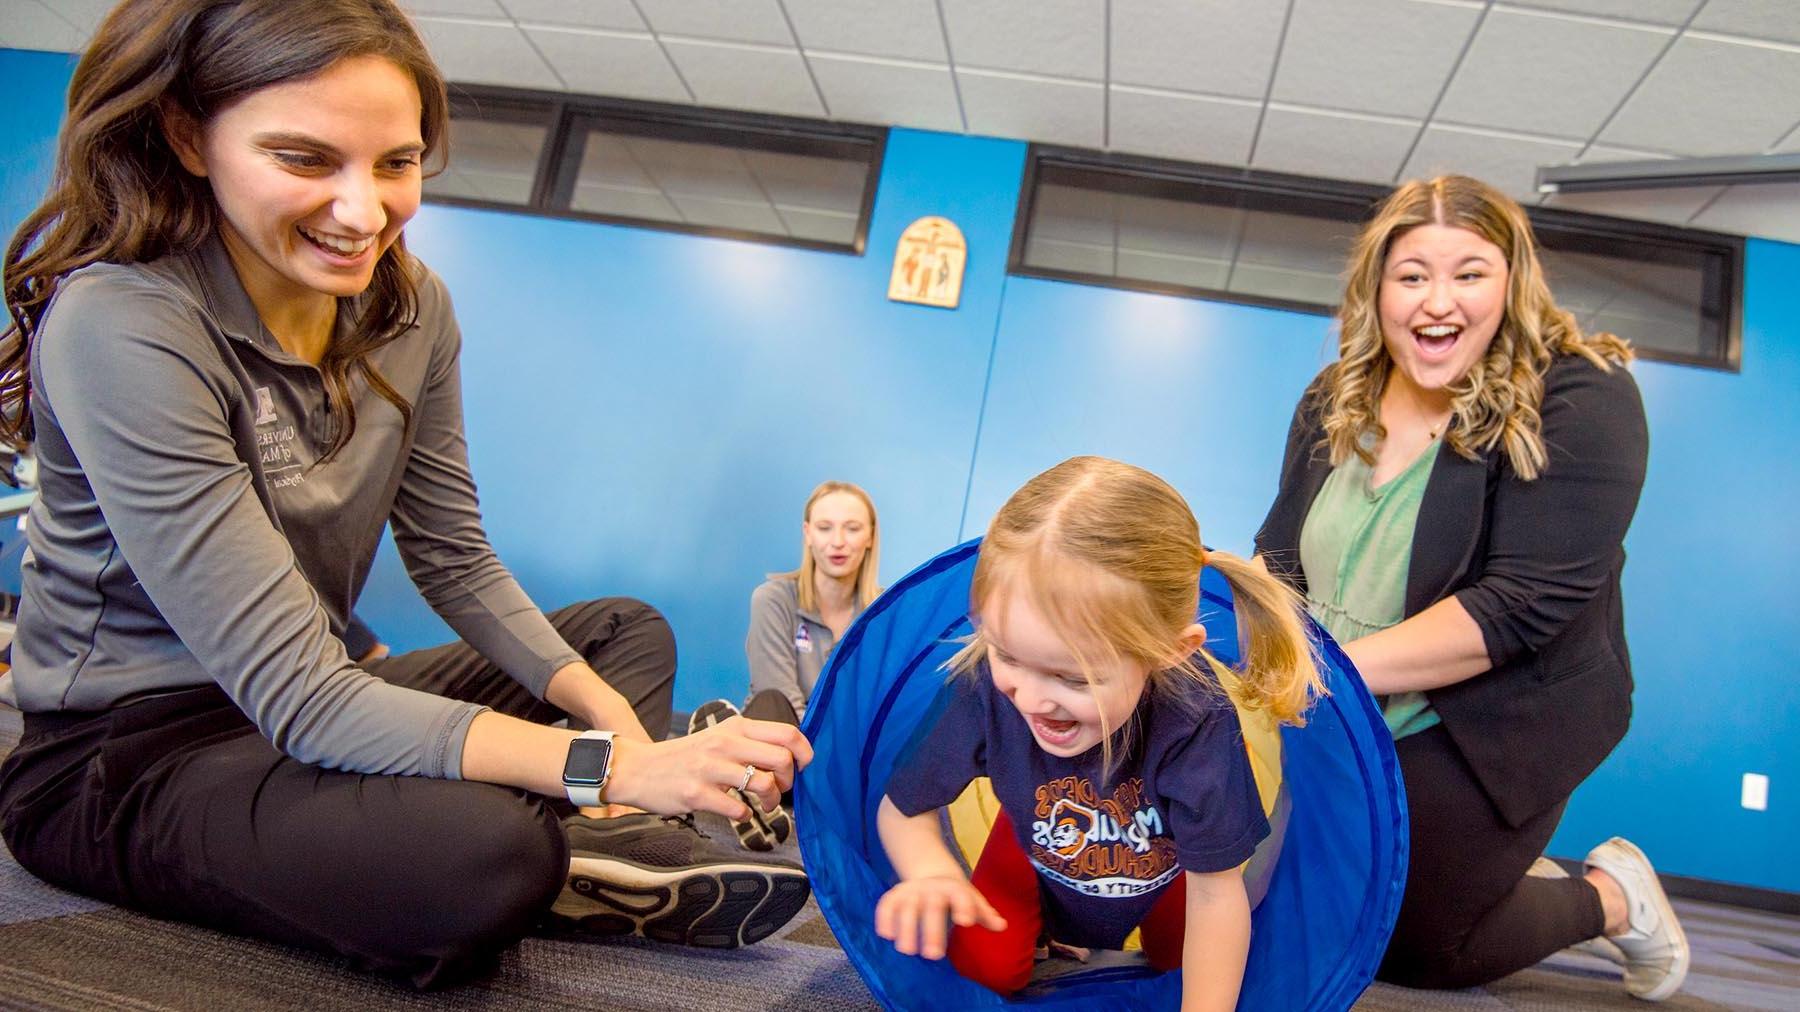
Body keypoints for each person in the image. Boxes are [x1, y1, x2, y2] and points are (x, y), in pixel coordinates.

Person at [0, 0, 811, 989]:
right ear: (187, 137)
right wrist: (616, 770)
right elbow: (302, 694)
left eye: (396, 162)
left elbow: (454, 558)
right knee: (482, 855)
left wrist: (617, 733)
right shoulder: (123, 323)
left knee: (623, 634)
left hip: (314, 708)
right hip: (123, 762)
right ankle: (562, 847)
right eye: (306, 159)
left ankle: (590, 841)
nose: (364, 212)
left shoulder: (410, 302)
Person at [1254, 175, 1680, 999]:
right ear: (1376, 288)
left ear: (1513, 282)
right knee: (1317, 904)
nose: (1436, 300)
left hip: (1492, 717)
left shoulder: (1580, 394)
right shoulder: (1334, 398)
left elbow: (1524, 604)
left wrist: (1327, 674)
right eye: (1411, 275)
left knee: (1416, 950)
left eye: (1470, 273)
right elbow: (1281, 555)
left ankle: (1612, 898)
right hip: (1346, 695)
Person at [871, 456, 1324, 1010]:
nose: (1033, 699)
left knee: (1187, 957)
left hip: (1165, 866)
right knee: (983, 964)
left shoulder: (1196, 715)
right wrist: (932, 870)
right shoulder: (981, 686)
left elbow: (1216, 894)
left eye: (1073, 677)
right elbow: (902, 808)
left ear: (1170, 651)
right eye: (1009, 654)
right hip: (1033, 846)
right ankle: (1043, 925)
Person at [689, 480, 879, 850]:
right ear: (808, 534)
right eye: (825, 527)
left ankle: (747, 787)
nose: (837, 541)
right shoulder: (773, 599)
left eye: (852, 528)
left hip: (842, 755)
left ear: (870, 536)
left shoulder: (883, 615)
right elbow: (780, 692)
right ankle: (754, 783)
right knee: (771, 705)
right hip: (785, 741)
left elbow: (871, 708)